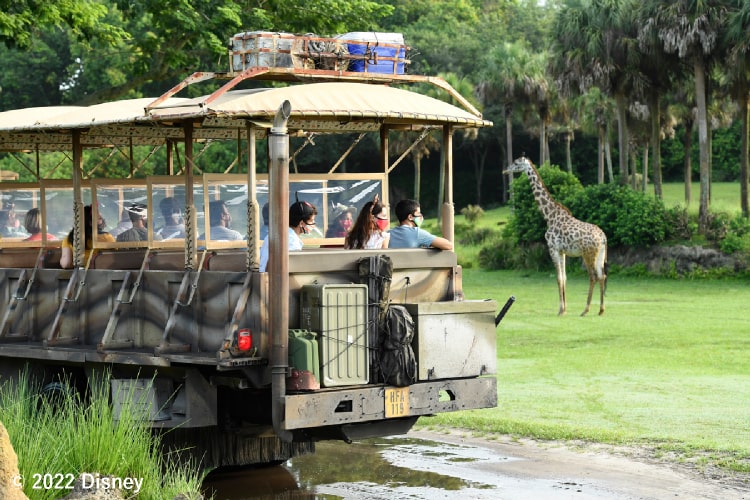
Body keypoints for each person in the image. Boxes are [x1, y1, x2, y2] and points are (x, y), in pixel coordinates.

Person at [259, 200, 317, 272]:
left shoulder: (278, 233)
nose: (314, 224)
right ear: (301, 223)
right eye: (311, 221)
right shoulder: (291, 242)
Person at [388, 199, 453, 250]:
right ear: (410, 217)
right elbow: (448, 245)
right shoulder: (417, 233)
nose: (421, 216)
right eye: (418, 213)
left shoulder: (388, 233)